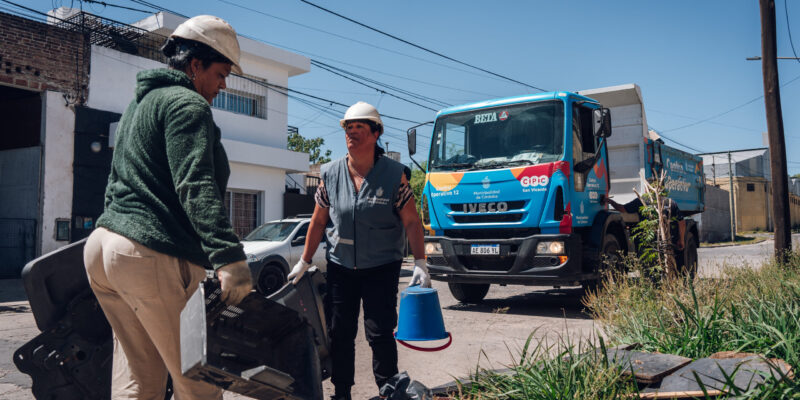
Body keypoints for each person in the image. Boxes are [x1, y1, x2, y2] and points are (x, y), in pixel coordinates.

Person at [82, 15, 252, 400]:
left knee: (140, 384)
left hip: (104, 249)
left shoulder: (138, 107)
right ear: (195, 65)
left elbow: (116, 180)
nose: (223, 85)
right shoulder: (186, 105)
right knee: (201, 385)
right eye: (221, 73)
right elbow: (195, 183)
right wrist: (228, 256)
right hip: (150, 252)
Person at [287, 101, 430, 400]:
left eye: (359, 128)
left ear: (375, 133)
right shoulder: (331, 174)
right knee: (340, 333)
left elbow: (412, 222)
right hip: (341, 267)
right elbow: (318, 221)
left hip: (381, 267)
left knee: (379, 333)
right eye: (348, 129)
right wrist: (303, 261)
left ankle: (389, 389)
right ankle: (341, 393)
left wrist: (420, 262)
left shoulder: (395, 176)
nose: (351, 134)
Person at [603, 195, 686, 251]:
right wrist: (681, 240)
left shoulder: (641, 201)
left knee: (648, 266)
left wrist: (611, 202)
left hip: (648, 241)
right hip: (667, 241)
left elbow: (622, 208)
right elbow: (681, 222)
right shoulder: (671, 202)